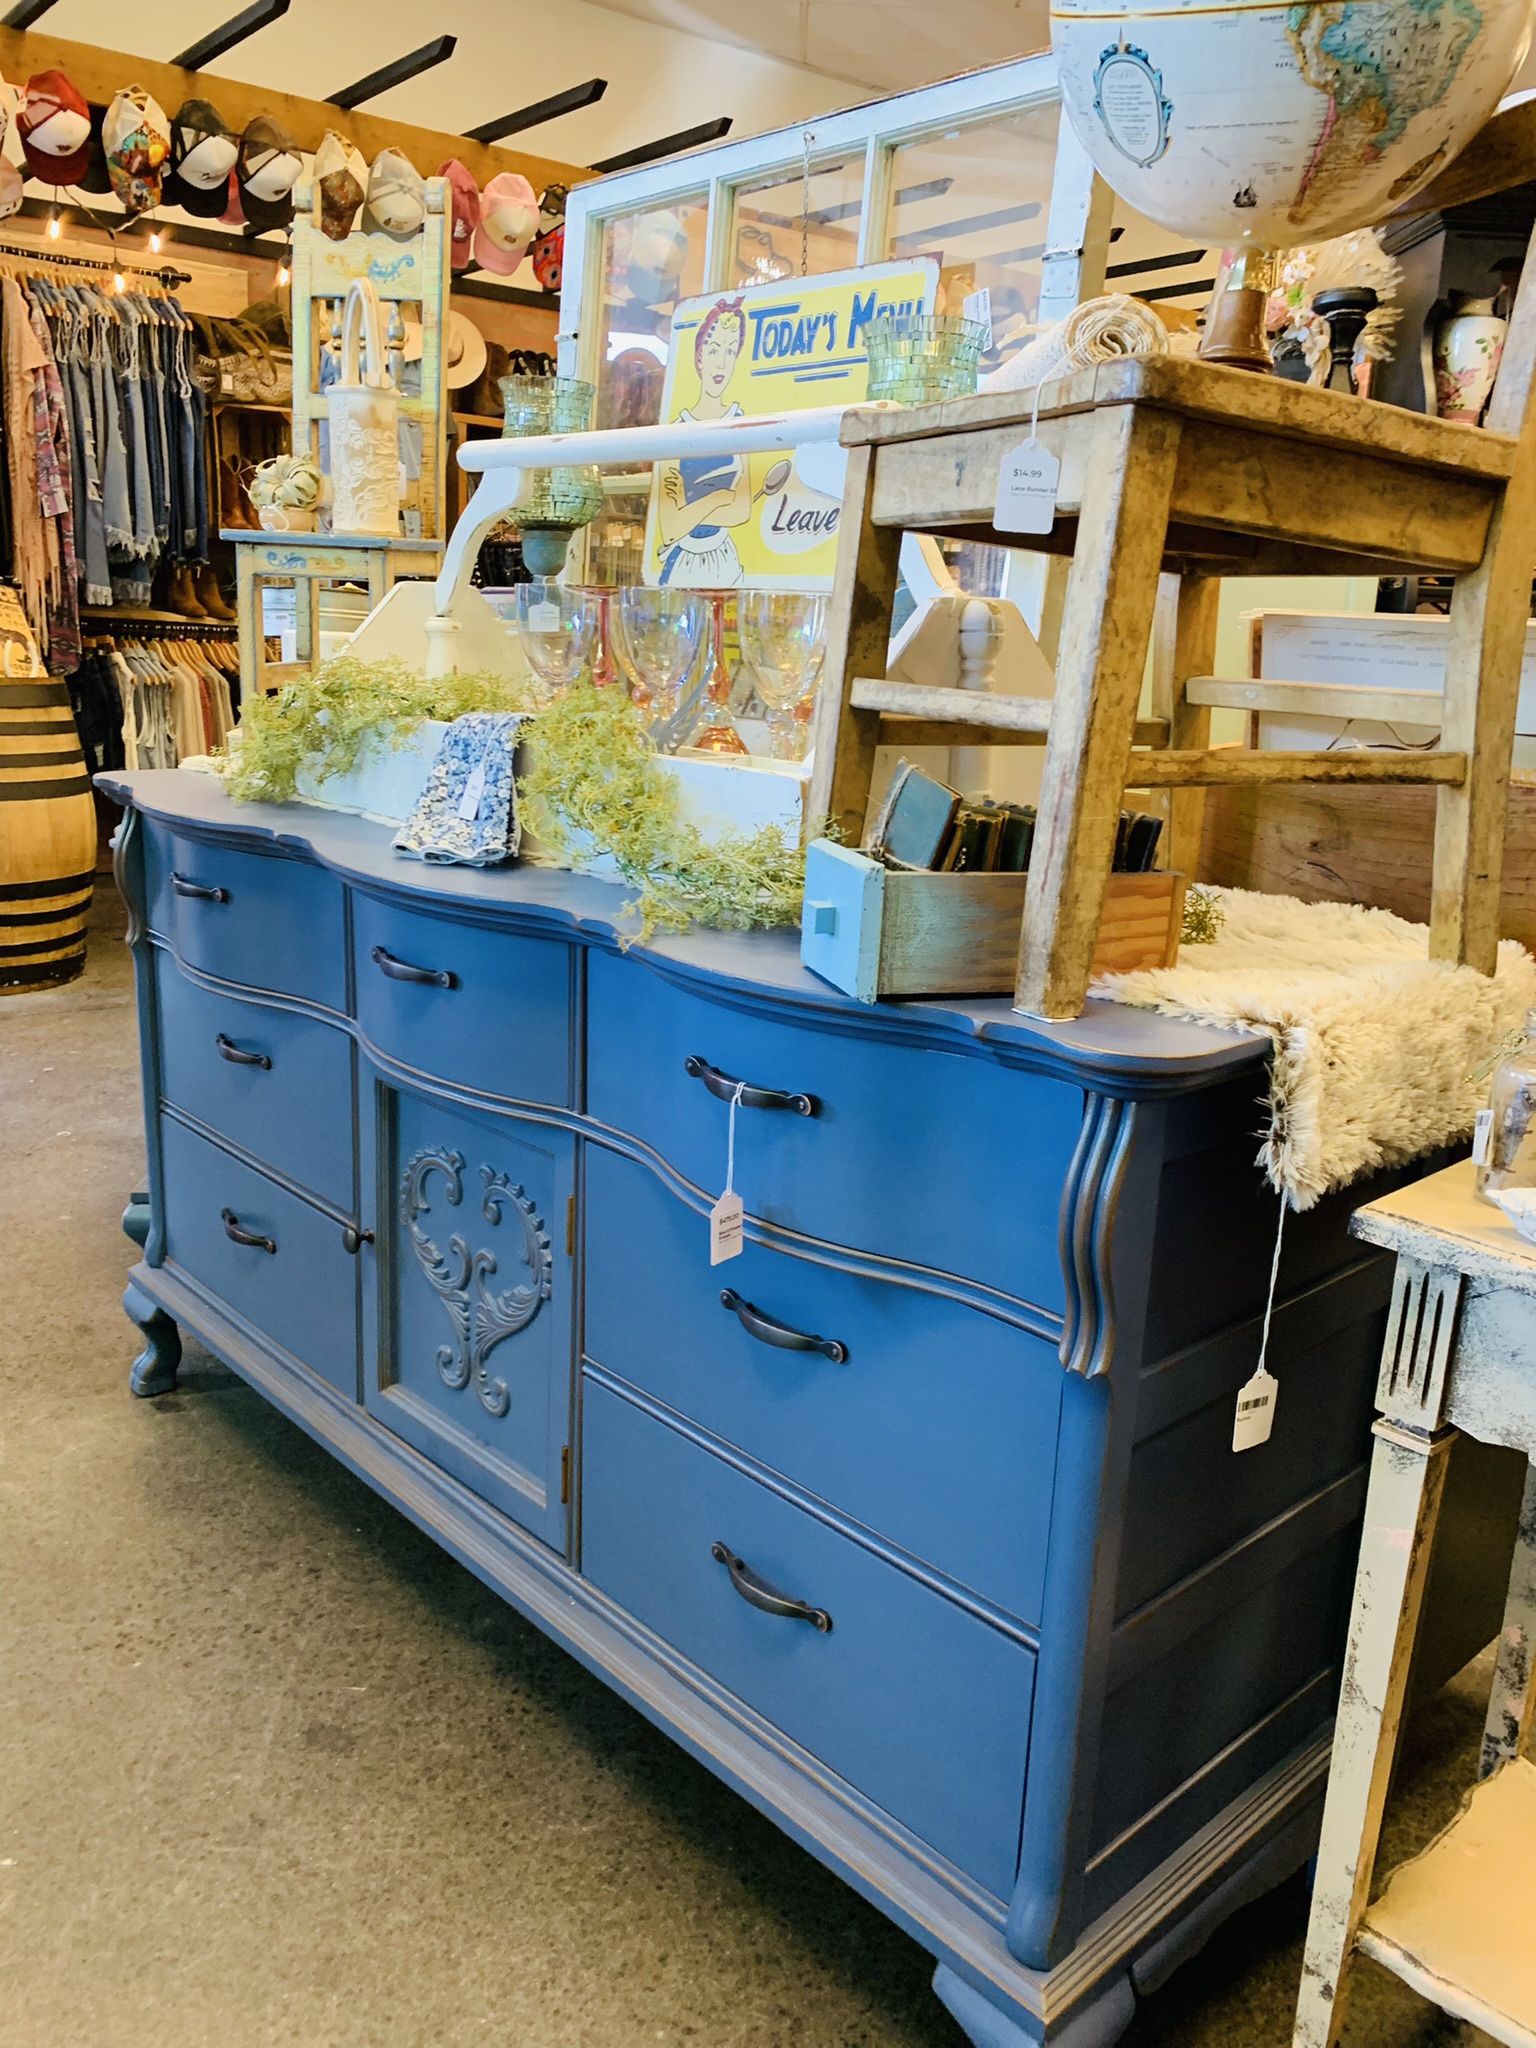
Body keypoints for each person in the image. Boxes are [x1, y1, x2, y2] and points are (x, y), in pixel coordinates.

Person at [654, 297, 751, 587]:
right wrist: (720, 497)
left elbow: (742, 511)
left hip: (725, 558)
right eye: (714, 349)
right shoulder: (674, 433)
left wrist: (690, 506)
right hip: (684, 561)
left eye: (730, 351)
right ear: (699, 356)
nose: (721, 362)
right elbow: (670, 528)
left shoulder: (743, 425)